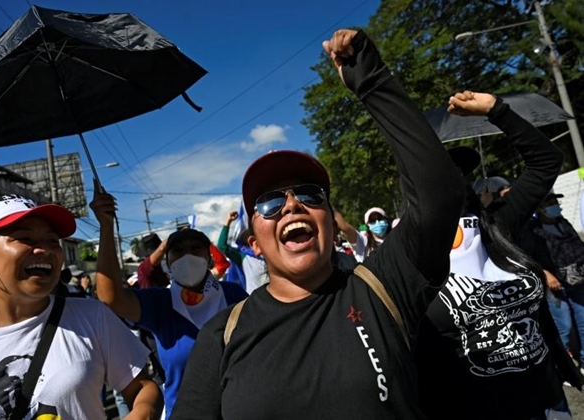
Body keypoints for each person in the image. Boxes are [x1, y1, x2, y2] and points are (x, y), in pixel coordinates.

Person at [170, 29, 464, 419]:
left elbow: (437, 198)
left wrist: (373, 83)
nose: (291, 205)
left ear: (329, 218)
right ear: (254, 243)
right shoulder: (222, 336)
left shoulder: (380, 288)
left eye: (309, 194)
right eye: (270, 202)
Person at [415, 91, 580, 420]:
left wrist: (496, 111)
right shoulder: (413, 252)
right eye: (443, 174)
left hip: (546, 401)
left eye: (461, 174)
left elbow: (546, 161)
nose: (455, 181)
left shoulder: (500, 224)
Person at [0, 194, 163, 419]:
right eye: (25, 238)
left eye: (52, 241)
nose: (44, 250)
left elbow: (143, 388)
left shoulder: (92, 317)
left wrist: (143, 412)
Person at [92, 187, 248, 420]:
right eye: (178, 251)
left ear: (208, 257)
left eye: (195, 248)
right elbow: (110, 296)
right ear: (168, 262)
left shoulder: (234, 295)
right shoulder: (161, 303)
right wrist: (105, 226)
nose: (188, 256)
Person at [521, 192, 584, 374]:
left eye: (555, 200)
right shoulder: (532, 230)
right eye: (548, 201)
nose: (554, 204)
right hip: (554, 286)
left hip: (577, 281)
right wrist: (546, 274)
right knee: (564, 327)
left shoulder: (562, 223)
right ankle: (564, 368)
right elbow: (529, 257)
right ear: (539, 208)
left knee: (582, 322)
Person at [218, 210, 268, 294]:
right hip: (254, 299)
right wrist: (228, 222)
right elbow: (222, 246)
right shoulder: (243, 256)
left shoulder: (271, 253)